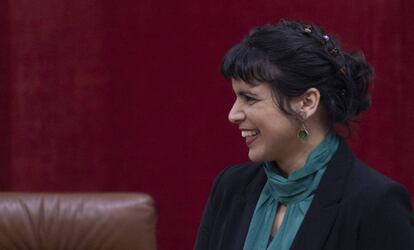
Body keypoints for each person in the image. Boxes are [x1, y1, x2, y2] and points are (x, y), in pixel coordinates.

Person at [194, 20, 414, 250]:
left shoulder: (374, 203)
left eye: (250, 98)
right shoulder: (231, 187)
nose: (233, 114)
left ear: (307, 103)